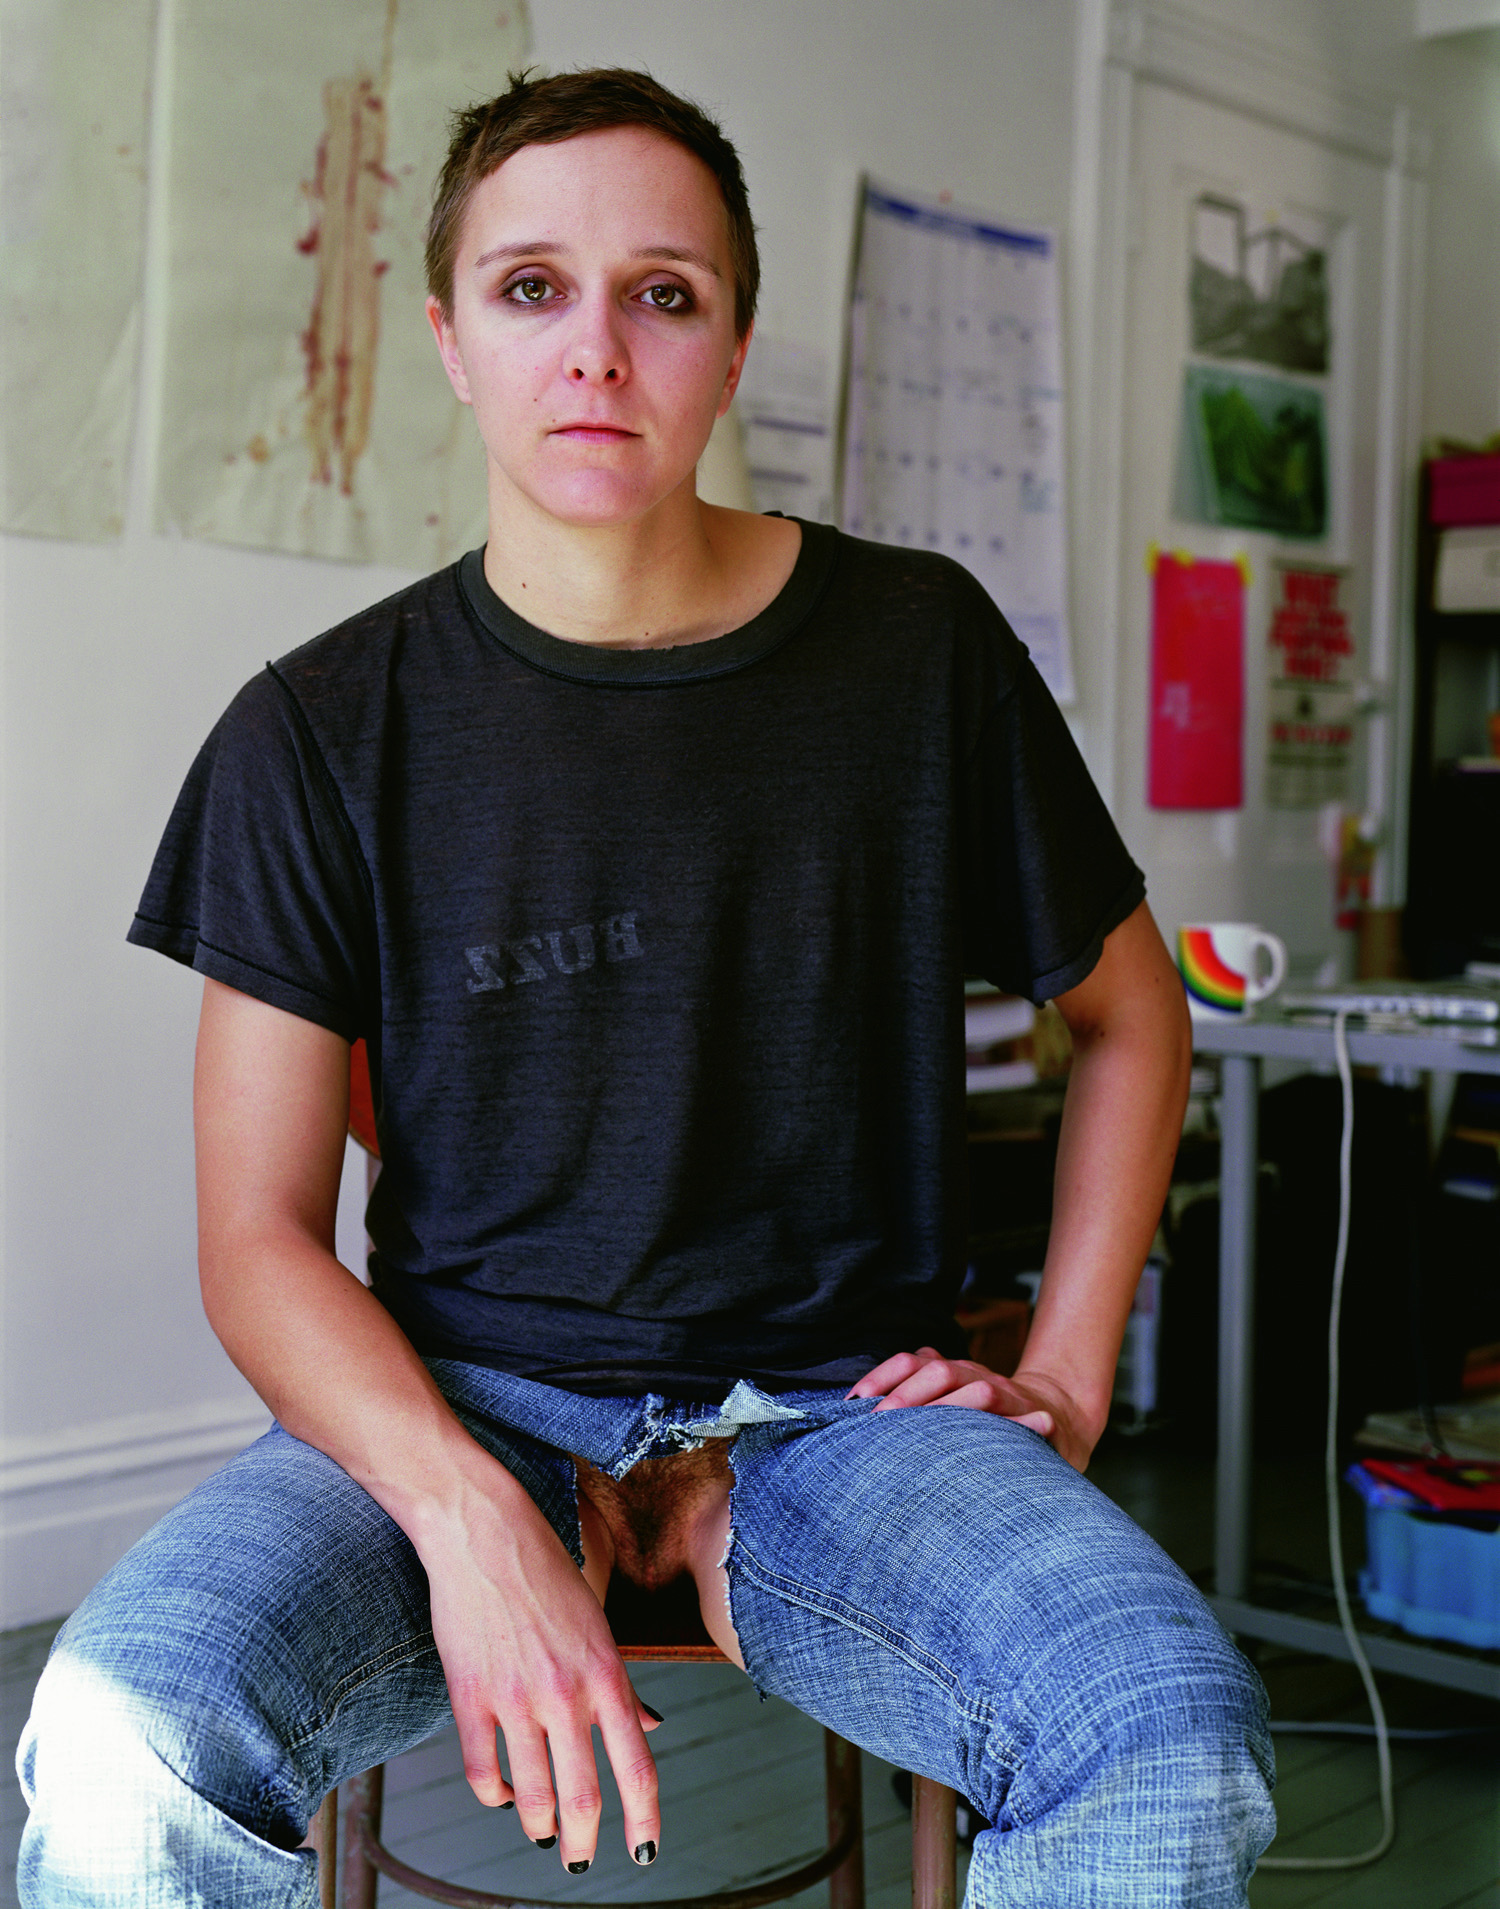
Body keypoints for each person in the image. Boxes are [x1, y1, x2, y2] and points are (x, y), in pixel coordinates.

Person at [18, 67, 1274, 1907]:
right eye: (532, 288)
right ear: (448, 338)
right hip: (455, 1404)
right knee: (122, 1749)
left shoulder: (918, 649)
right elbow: (259, 1236)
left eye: (661, 294)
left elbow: (1130, 1012)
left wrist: (1067, 1379)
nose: (595, 348)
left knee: (1169, 1732)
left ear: (736, 339)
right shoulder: (318, 727)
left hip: (847, 1416)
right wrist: (463, 1516)